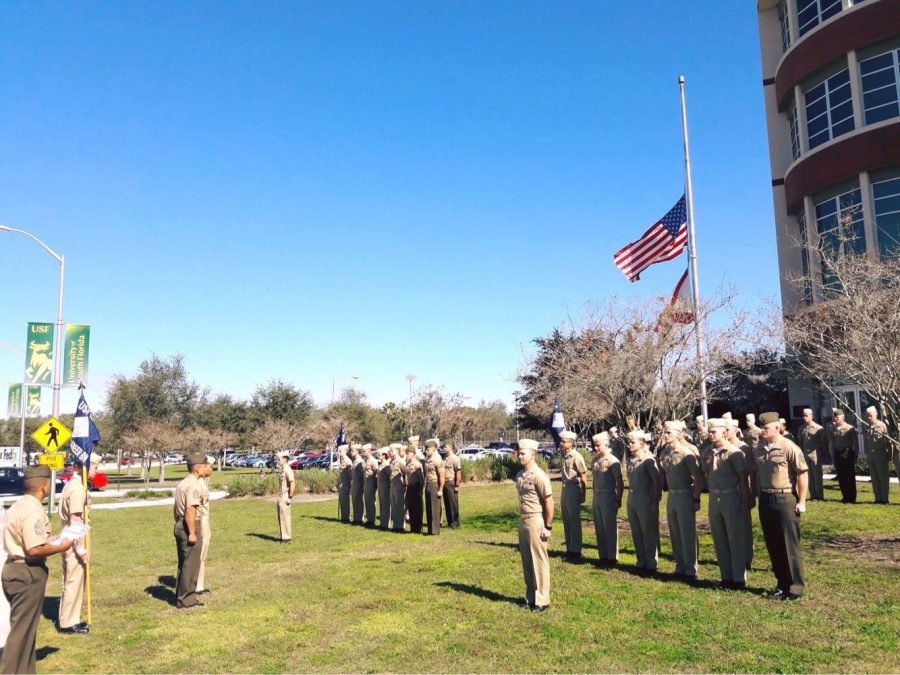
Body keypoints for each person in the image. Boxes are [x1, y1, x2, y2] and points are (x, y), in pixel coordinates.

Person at [0, 466, 72, 674]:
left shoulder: (18, 505)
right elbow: (34, 548)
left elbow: (27, 538)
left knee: (24, 629)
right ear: (44, 485)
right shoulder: (34, 510)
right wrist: (62, 546)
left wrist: (51, 539)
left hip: (13, 569)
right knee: (22, 633)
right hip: (27, 574)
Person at [753, 411, 809, 600]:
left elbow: (802, 473)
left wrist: (802, 501)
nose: (763, 430)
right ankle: (781, 582)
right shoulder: (759, 448)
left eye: (766, 427)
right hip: (766, 499)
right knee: (773, 543)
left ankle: (795, 587)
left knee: (789, 545)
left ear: (777, 427)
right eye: (761, 427)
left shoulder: (788, 446)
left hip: (785, 499)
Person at [701, 419, 751, 589]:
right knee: (719, 537)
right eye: (710, 431)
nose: (711, 434)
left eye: (714, 431)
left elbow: (743, 478)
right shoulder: (707, 451)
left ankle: (739, 578)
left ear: (723, 431)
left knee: (734, 538)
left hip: (730, 495)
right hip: (714, 498)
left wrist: (745, 500)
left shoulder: (733, 452)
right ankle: (726, 576)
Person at [57, 456, 100, 633]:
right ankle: (68, 623)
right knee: (73, 581)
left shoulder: (75, 485)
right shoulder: (77, 489)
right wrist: (81, 548)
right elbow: (75, 519)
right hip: (74, 541)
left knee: (72, 580)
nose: (97, 471)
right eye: (95, 467)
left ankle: (70, 618)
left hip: (70, 539)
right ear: (86, 466)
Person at [657, 421, 704, 581]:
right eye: (665, 432)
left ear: (678, 434)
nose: (666, 435)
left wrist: (696, 498)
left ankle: (691, 568)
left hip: (685, 494)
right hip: (672, 495)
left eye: (669, 433)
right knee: (675, 532)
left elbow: (697, 476)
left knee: (687, 532)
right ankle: (680, 565)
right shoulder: (665, 453)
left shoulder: (686, 452)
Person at [514, 439, 554, 613]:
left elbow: (549, 501)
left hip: (536, 520)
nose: (520, 456)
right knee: (527, 561)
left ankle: (542, 599)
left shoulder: (539, 475)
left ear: (533, 454)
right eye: (519, 453)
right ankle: (531, 597)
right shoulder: (521, 475)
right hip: (523, 520)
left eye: (523, 453)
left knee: (539, 560)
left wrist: (548, 526)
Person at [174, 453, 211, 609]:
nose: (207, 468)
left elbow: (175, 508)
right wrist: (192, 532)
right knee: (191, 564)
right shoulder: (194, 485)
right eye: (205, 465)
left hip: (180, 524)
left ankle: (180, 595)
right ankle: (187, 600)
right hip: (190, 524)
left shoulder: (182, 483)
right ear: (197, 468)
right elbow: (190, 510)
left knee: (183, 563)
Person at [625, 430, 662, 574]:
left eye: (633, 442)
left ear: (641, 444)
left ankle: (651, 561)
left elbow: (656, 480)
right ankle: (641, 560)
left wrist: (655, 499)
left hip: (645, 497)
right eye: (629, 442)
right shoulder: (630, 460)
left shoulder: (648, 460)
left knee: (648, 530)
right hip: (632, 497)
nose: (630, 445)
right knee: (636, 530)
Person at [725, 417, 756, 570]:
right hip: (727, 492)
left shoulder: (743, 448)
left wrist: (751, 494)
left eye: (727, 430)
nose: (725, 433)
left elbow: (751, 473)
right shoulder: (721, 447)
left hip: (741, 489)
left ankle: (746, 557)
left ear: (736, 430)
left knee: (744, 525)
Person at [590, 432, 623, 566]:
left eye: (598, 445)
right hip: (597, 495)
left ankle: (612, 556)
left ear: (606, 444)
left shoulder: (613, 461)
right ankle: (602, 555)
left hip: (608, 495)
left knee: (609, 526)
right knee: (599, 526)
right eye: (595, 445)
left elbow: (619, 482)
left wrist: (618, 499)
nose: (596, 448)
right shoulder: (595, 461)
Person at [558, 430, 587, 559]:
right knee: (566, 519)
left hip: (573, 488)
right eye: (561, 441)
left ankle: (576, 549)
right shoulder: (565, 456)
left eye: (564, 441)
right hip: (565, 488)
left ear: (571, 443)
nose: (561, 443)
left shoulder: (576, 457)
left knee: (574, 520)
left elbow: (583, 475)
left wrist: (583, 493)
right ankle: (569, 548)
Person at [827, 408, 858, 503]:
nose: (835, 419)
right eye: (834, 417)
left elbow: (855, 443)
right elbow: (831, 442)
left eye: (837, 417)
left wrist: (855, 455)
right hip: (838, 453)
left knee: (850, 476)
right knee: (841, 476)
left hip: (847, 453)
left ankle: (852, 498)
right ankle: (845, 496)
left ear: (842, 418)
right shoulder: (832, 429)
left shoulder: (849, 428)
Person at [863, 406, 891, 504]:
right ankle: (877, 498)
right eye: (867, 416)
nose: (868, 418)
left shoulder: (882, 425)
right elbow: (866, 442)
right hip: (871, 454)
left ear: (876, 414)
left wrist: (889, 456)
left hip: (880, 453)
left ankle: (884, 499)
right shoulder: (866, 427)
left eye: (870, 416)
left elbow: (888, 442)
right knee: (874, 477)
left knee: (883, 477)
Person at [797, 408, 825, 501]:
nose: (804, 417)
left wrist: (822, 453)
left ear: (811, 416)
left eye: (806, 415)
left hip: (815, 454)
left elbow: (823, 442)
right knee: (808, 476)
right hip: (805, 454)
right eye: (803, 416)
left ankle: (819, 496)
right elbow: (800, 442)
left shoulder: (818, 428)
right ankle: (813, 495)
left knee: (817, 476)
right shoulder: (801, 428)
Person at [196, 457, 213, 596]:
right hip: (202, 522)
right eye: (209, 467)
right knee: (200, 555)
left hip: (204, 521)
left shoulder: (202, 482)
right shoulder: (199, 485)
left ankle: (198, 584)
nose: (211, 470)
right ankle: (197, 586)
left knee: (202, 554)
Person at [423, 439, 445, 535]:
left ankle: (435, 530)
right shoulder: (428, 459)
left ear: (433, 449)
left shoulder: (437, 459)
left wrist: (440, 489)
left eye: (428, 450)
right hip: (428, 484)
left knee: (434, 508)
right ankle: (430, 529)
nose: (426, 451)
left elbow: (442, 475)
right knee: (428, 507)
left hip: (434, 484)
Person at [404, 437, 424, 533]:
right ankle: (413, 527)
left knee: (417, 508)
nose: (407, 455)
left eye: (408, 453)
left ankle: (418, 527)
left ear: (412, 454)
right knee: (411, 507)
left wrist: (421, 490)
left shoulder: (417, 464)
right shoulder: (407, 464)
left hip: (416, 487)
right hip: (409, 488)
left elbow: (421, 479)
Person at [441, 441, 462, 528]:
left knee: (453, 503)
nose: (443, 448)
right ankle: (450, 522)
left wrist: (457, 485)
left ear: (450, 447)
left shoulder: (455, 458)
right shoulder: (444, 458)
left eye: (445, 447)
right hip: (444, 482)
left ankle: (455, 523)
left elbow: (458, 472)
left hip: (451, 482)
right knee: (447, 503)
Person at [276, 451, 295, 542]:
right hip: (281, 495)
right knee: (281, 516)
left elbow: (292, 482)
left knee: (285, 516)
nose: (277, 461)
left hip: (285, 495)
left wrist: (290, 496)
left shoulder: (287, 469)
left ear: (284, 459)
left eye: (279, 459)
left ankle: (286, 537)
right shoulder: (283, 469)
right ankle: (283, 536)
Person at [389, 444, 406, 532]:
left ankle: (400, 526)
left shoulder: (401, 461)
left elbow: (405, 472)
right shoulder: (392, 462)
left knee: (399, 505)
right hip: (392, 485)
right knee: (394, 505)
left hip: (399, 485)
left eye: (392, 451)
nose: (390, 452)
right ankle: (396, 525)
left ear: (397, 451)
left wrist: (405, 485)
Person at [362, 444, 378, 528]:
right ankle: (369, 519)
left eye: (364, 451)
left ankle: (372, 520)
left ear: (369, 451)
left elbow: (376, 472)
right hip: (366, 482)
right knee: (367, 501)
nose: (363, 453)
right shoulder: (366, 460)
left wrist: (375, 484)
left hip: (371, 482)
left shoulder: (373, 460)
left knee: (371, 502)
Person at [377, 446, 392, 529]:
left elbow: (389, 476)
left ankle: (386, 524)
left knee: (386, 505)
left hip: (385, 486)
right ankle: (382, 523)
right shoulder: (381, 464)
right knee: (382, 504)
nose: (378, 456)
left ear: (384, 455)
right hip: (381, 486)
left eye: (380, 455)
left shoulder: (387, 464)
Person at [337, 444, 352, 523]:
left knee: (345, 501)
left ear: (345, 451)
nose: (339, 453)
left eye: (340, 451)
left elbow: (350, 474)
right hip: (341, 483)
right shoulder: (341, 460)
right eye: (338, 451)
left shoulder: (347, 461)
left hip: (346, 483)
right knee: (342, 500)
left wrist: (348, 484)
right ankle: (343, 517)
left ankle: (346, 517)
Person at [350, 444, 364, 525]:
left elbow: (362, 474)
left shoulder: (360, 461)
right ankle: (356, 518)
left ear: (357, 451)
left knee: (358, 500)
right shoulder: (355, 460)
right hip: (354, 482)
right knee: (354, 500)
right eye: (351, 451)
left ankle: (360, 518)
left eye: (352, 451)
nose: (351, 452)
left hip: (358, 482)